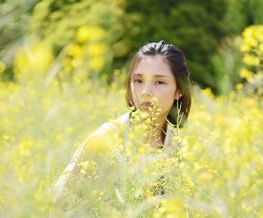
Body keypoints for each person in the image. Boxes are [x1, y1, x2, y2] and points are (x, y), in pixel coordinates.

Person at [53, 40, 191, 200]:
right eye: (138, 81)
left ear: (179, 91)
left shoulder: (178, 148)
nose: (146, 91)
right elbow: (60, 200)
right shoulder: (107, 138)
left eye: (159, 82)